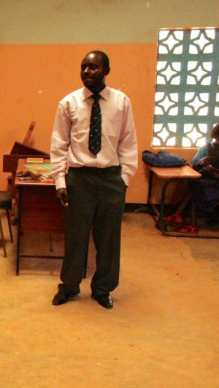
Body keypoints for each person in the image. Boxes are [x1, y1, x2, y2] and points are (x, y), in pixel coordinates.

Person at [49, 50, 138, 310]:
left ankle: (102, 288)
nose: (87, 71)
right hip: (80, 179)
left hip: (111, 179)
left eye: (94, 67)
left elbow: (128, 142)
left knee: (109, 238)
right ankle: (69, 286)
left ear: (106, 70)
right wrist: (60, 182)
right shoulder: (69, 103)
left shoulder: (121, 102)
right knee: (76, 236)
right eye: (84, 67)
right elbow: (59, 145)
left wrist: (124, 178)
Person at [164, 121, 219, 224]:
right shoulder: (206, 148)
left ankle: (179, 214)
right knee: (193, 185)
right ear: (216, 137)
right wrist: (202, 162)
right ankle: (179, 214)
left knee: (193, 187)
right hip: (207, 178)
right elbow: (194, 166)